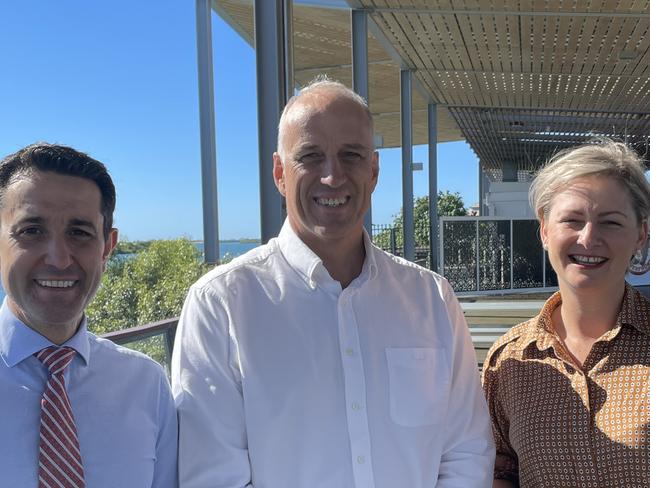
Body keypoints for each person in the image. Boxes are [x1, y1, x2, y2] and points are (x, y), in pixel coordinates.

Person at [172, 78, 494, 488]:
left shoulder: (431, 297)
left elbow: (466, 451)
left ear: (373, 170)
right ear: (279, 173)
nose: (332, 176)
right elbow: (213, 475)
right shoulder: (221, 304)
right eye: (310, 156)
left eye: (351, 155)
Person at [0, 143, 178, 487]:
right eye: (31, 231)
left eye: (79, 233)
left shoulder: (147, 385)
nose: (59, 258)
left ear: (107, 248)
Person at [483, 139, 650, 487]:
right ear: (545, 229)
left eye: (611, 222)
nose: (588, 238)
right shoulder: (508, 362)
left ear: (640, 235)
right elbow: (501, 472)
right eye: (572, 220)